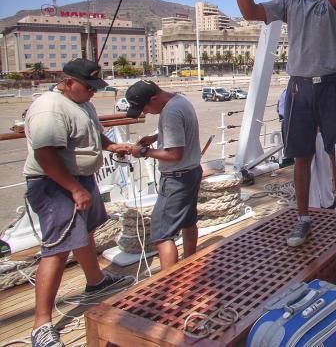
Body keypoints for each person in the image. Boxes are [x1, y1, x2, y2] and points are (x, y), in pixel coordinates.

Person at [226, 0, 336, 247]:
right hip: (299, 87)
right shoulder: (291, 3)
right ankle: (303, 218)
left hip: (330, 86)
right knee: (300, 155)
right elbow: (250, 12)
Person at [23, 58, 133, 347]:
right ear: (68, 82)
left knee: (86, 232)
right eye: (89, 87)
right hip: (56, 184)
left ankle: (96, 282)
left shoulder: (82, 102)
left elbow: (94, 134)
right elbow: (45, 157)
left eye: (95, 87)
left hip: (80, 179)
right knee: (56, 249)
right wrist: (74, 189)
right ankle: (41, 325)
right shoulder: (50, 108)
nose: (93, 92)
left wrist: (112, 146)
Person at [124, 80, 202, 270]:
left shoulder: (170, 113)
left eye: (147, 107)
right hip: (192, 172)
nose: (146, 112)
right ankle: (189, 264)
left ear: (155, 98)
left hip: (177, 179)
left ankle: (170, 283)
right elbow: (180, 131)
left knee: (162, 234)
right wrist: (155, 138)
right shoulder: (180, 100)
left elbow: (174, 154)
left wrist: (142, 152)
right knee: (188, 221)